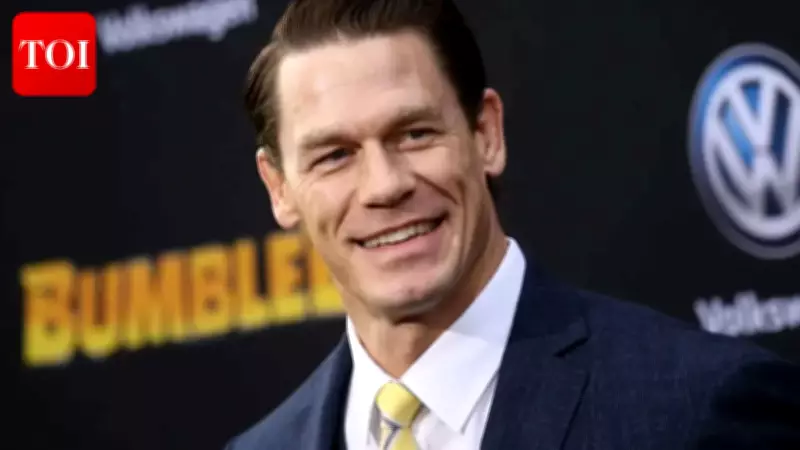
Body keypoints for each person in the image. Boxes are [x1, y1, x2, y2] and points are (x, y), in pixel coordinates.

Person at [225, 0, 800, 448]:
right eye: (334, 156)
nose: (384, 185)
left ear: (486, 134)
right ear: (279, 188)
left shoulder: (697, 410)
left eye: (415, 133)